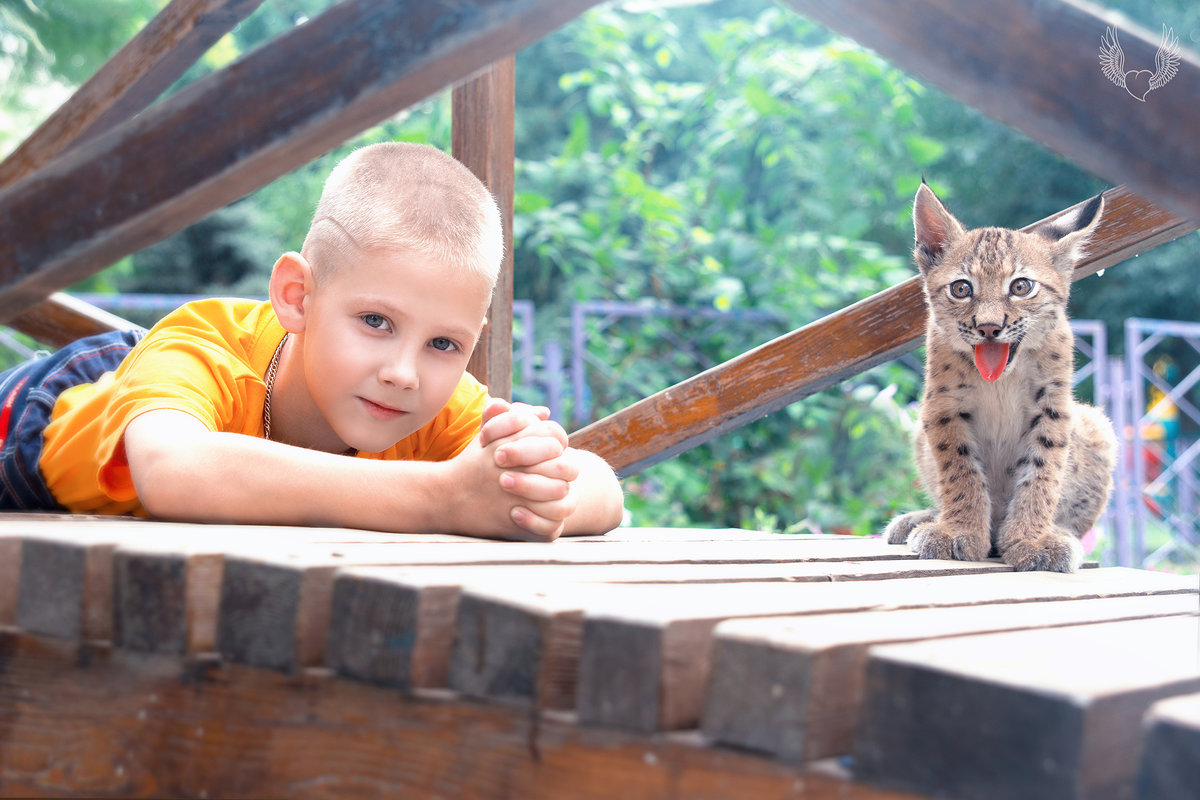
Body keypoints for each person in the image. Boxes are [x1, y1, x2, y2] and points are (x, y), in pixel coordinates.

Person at [0, 142, 624, 541]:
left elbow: (606, 490)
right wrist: (444, 499)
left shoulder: (437, 403)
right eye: (376, 322)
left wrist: (533, 483)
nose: (404, 372)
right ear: (297, 296)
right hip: (46, 418)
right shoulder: (201, 347)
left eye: (444, 344)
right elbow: (174, 472)